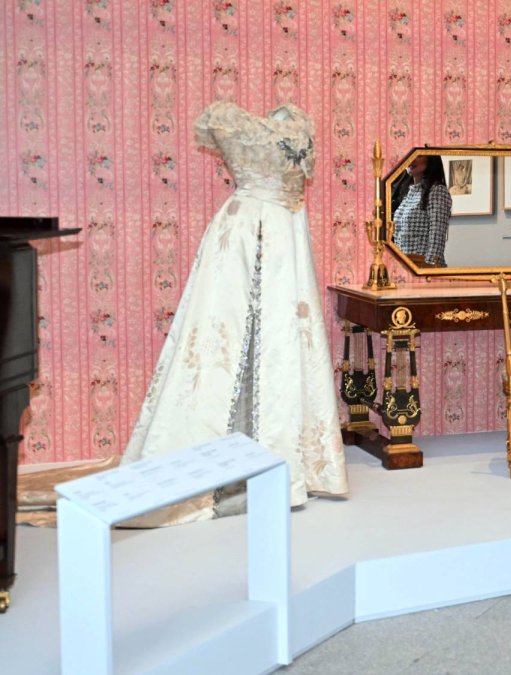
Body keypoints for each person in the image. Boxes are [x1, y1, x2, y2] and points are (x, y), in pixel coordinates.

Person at [122, 100, 348, 525]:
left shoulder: (300, 121)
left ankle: (289, 464)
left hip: (287, 237)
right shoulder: (225, 120)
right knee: (220, 342)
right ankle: (208, 463)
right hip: (246, 235)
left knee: (283, 344)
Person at [392, 154, 451, 266]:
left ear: (431, 160)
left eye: (418, 156)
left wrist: (426, 270)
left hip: (423, 268)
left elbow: (436, 239)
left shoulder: (437, 191)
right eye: (410, 155)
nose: (412, 160)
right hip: (405, 268)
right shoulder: (408, 192)